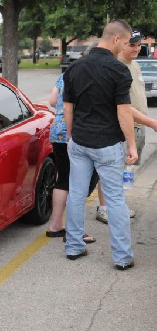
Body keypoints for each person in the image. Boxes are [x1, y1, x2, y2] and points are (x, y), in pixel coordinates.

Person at [63, 19, 137, 270]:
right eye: (126, 42)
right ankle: (122, 257)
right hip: (107, 144)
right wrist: (132, 146)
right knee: (115, 200)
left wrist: (72, 136)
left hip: (80, 141)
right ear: (116, 39)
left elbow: (67, 108)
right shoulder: (118, 71)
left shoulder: (74, 67)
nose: (127, 46)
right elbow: (124, 112)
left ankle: (73, 246)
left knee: (76, 193)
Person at [95, 29, 148, 223]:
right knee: (111, 170)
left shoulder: (135, 66)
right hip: (121, 127)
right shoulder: (115, 67)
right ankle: (104, 207)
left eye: (139, 44)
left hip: (138, 127)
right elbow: (120, 106)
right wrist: (151, 122)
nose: (136, 48)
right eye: (132, 44)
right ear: (122, 43)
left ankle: (119, 204)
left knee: (126, 170)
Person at [45, 73, 96, 244]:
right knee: (79, 182)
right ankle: (74, 231)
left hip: (57, 129)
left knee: (63, 178)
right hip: (75, 130)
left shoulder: (64, 75)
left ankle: (56, 225)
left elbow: (53, 101)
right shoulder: (88, 76)